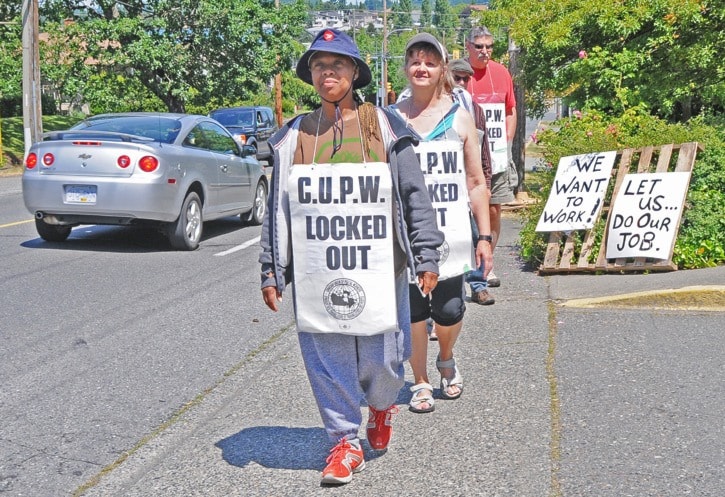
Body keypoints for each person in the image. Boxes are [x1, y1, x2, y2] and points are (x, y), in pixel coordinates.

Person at [259, 28, 443, 485]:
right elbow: (278, 210)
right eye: (320, 66)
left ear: (355, 72)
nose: (328, 73)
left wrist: (426, 256)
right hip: (317, 273)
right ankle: (343, 440)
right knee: (327, 358)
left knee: (383, 360)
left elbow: (413, 194)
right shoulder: (295, 135)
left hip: (381, 269)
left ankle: (381, 408)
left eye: (337, 65)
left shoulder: (381, 126)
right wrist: (271, 267)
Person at [391, 33, 493, 414]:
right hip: (407, 235)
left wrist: (483, 236)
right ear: (406, 68)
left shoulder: (460, 118)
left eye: (430, 62)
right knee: (414, 309)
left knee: (448, 311)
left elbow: (476, 182)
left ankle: (445, 356)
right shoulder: (390, 120)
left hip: (451, 233)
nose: (422, 67)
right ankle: (419, 379)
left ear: (442, 70)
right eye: (415, 60)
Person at [464, 26, 518, 292]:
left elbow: (510, 110)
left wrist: (506, 142)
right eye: (479, 46)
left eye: (489, 46)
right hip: (467, 158)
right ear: (468, 46)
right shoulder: (460, 75)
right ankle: (467, 266)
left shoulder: (502, 73)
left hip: (496, 157)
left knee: (495, 209)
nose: (485, 51)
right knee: (469, 213)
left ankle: (487, 263)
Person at [449, 57, 495, 305]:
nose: (462, 83)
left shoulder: (473, 109)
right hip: (445, 188)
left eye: (466, 78)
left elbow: (482, 148)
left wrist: (485, 182)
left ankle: (478, 285)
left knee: (477, 235)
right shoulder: (435, 109)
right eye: (457, 77)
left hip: (470, 185)